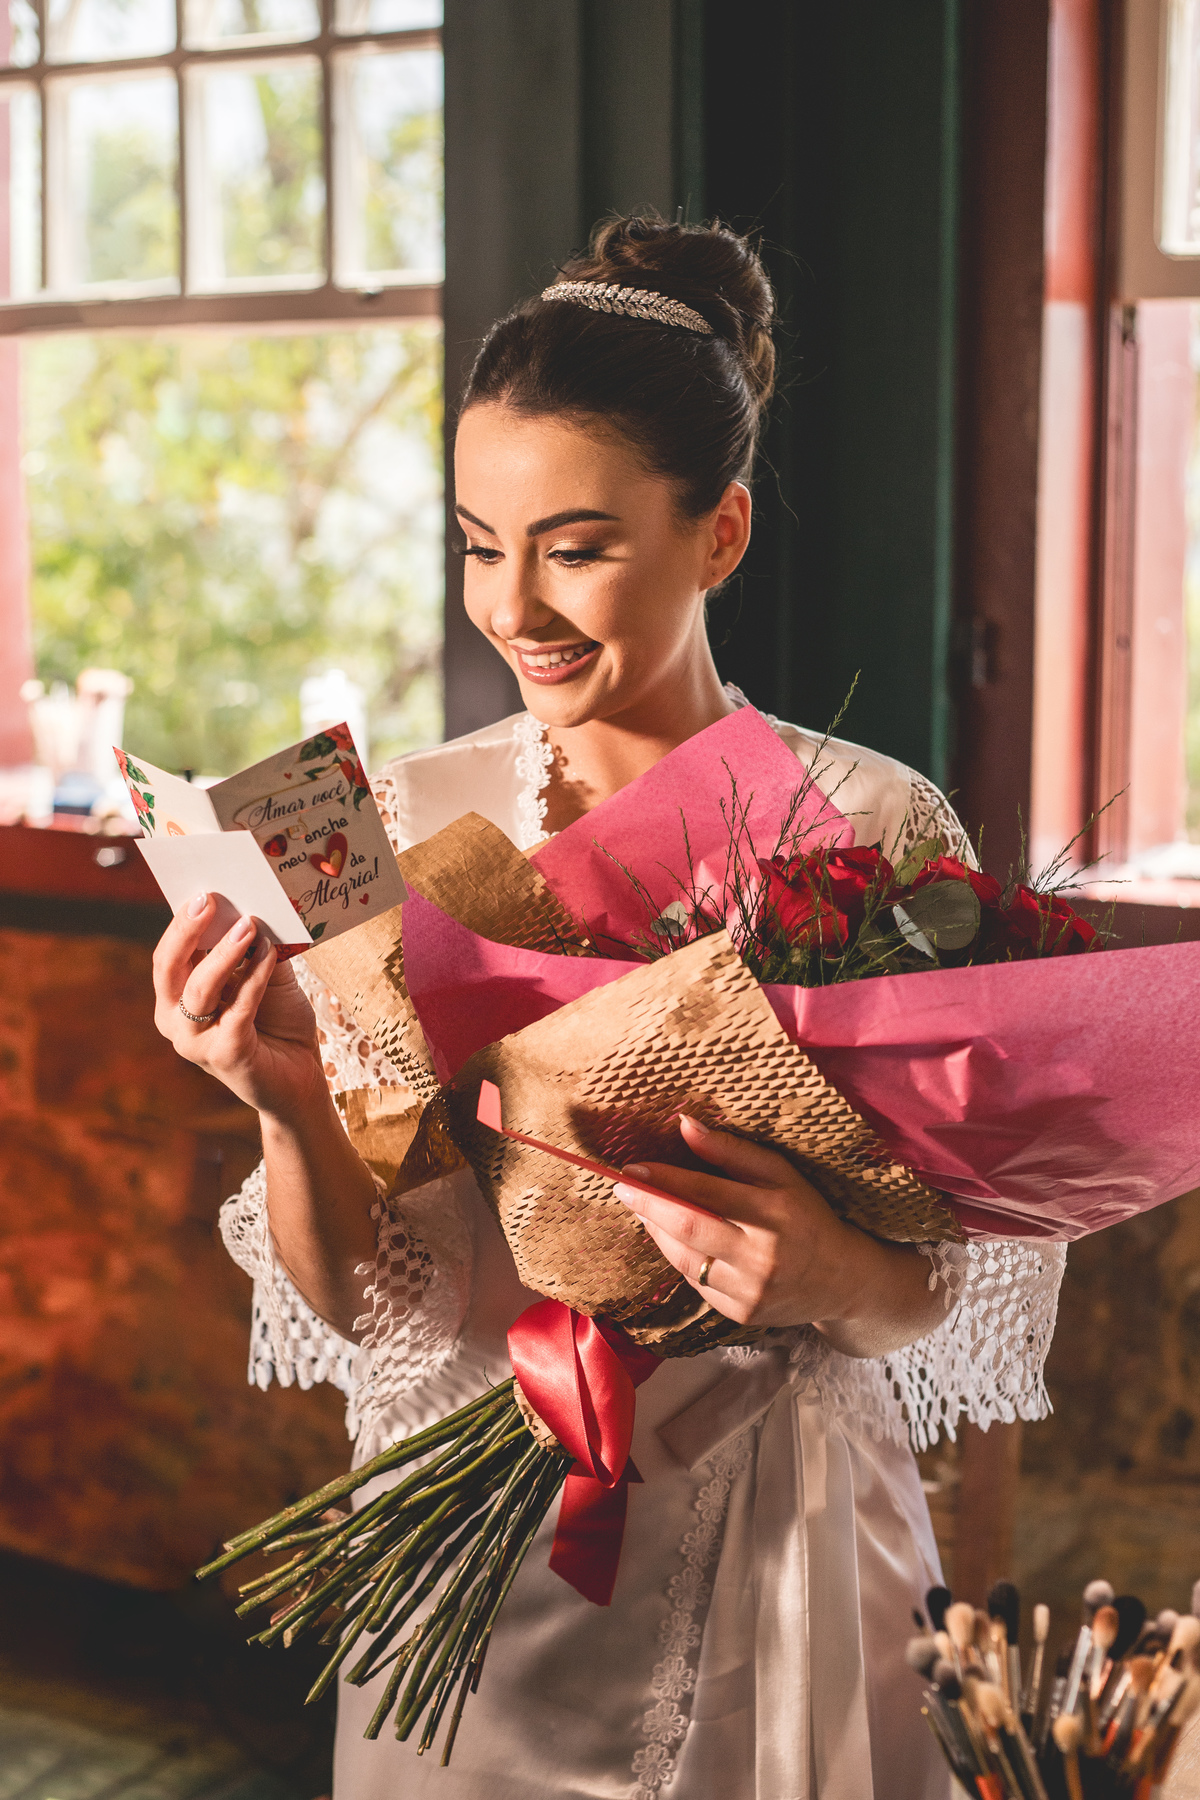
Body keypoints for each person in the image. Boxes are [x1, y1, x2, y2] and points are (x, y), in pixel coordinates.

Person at [152, 216, 1065, 1799]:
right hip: (474, 1581)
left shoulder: (878, 827)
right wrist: (280, 1095)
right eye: (477, 544)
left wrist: (825, 1267)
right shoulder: (393, 826)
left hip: (775, 1532)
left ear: (720, 534)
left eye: (574, 547)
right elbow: (372, 1306)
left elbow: (935, 1295)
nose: (515, 604)